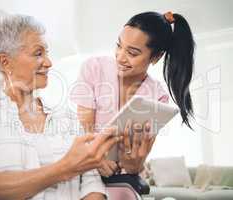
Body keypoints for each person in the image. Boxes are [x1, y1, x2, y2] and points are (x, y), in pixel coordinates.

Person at [0, 15, 126, 200]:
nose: (49, 62)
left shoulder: (67, 118)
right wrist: (64, 168)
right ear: (5, 62)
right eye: (38, 53)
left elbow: (91, 184)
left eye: (46, 53)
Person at [71, 11, 195, 178]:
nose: (120, 57)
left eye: (132, 53)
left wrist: (133, 165)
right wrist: (97, 159)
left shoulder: (158, 98)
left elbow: (140, 154)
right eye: (119, 46)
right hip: (87, 169)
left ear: (156, 57)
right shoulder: (94, 68)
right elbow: (84, 131)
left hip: (125, 177)